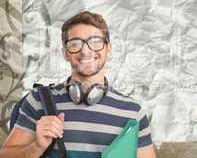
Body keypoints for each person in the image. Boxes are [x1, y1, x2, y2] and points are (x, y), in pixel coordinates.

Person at [0, 11, 156, 158]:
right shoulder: (38, 100)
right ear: (65, 53)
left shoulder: (133, 112)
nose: (86, 51)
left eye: (95, 42)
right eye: (75, 44)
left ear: (109, 48)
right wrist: (37, 147)